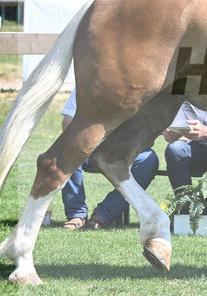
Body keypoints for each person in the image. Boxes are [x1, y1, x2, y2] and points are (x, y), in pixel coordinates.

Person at [49, 88, 160, 230]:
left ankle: (103, 215)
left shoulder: (143, 88)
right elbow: (68, 123)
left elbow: (148, 135)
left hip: (124, 152)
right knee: (68, 153)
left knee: (148, 161)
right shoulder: (88, 83)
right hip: (89, 149)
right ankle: (76, 214)